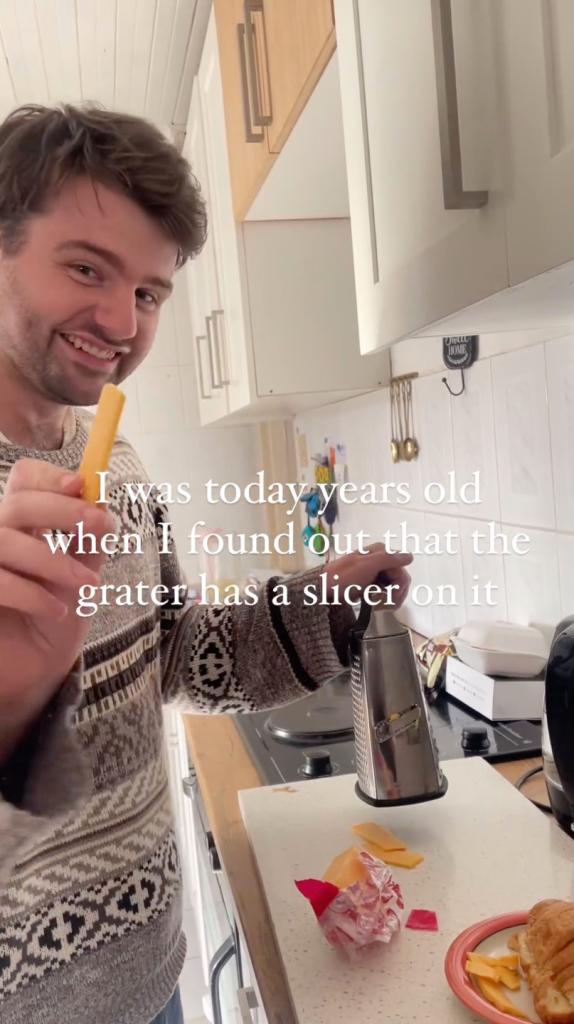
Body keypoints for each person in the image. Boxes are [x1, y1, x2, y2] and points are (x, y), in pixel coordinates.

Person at [0, 104, 413, 1024]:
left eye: (149, 293)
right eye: (84, 268)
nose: (119, 320)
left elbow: (181, 652)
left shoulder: (117, 460)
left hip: (151, 973)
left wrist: (320, 609)